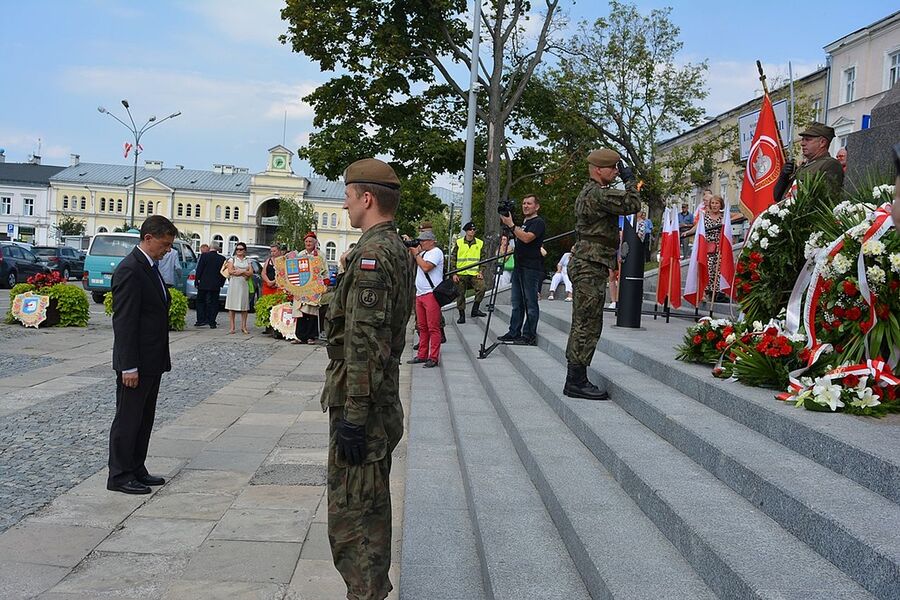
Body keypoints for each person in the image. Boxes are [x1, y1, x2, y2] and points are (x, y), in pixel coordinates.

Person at [321, 158, 414, 600]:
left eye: (348, 194)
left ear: (367, 198)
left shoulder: (373, 256)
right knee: (369, 511)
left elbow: (364, 342)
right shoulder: (393, 247)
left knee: (354, 523)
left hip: (363, 405)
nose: (345, 202)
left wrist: (354, 418)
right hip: (377, 399)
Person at [107, 215, 177, 495]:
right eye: (165, 244)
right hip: (136, 363)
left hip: (152, 359)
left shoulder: (150, 267)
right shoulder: (130, 270)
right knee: (128, 418)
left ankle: (137, 467)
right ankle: (120, 475)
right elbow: (124, 322)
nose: (167, 250)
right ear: (148, 238)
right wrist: (128, 366)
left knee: (144, 417)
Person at [564, 148, 641, 400]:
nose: (616, 173)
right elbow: (632, 203)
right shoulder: (598, 193)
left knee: (585, 322)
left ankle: (577, 377)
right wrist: (630, 179)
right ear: (599, 169)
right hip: (589, 265)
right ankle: (576, 381)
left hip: (588, 262)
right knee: (587, 324)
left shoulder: (590, 191)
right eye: (613, 169)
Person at [497, 194, 546, 345]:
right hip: (519, 265)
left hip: (531, 267)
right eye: (524, 203)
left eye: (529, 203)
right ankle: (514, 331)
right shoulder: (524, 222)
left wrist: (511, 225)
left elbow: (526, 238)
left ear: (536, 206)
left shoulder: (538, 222)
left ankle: (529, 335)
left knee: (530, 302)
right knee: (517, 302)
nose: (525, 206)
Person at [773, 122, 844, 202]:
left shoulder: (830, 164)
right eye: (803, 139)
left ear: (822, 142)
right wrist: (784, 177)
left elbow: (827, 199)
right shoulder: (803, 166)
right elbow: (777, 196)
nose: (802, 143)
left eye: (808, 140)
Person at [681, 195, 730, 302]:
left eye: (717, 203)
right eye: (712, 203)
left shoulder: (724, 217)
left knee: (717, 270)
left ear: (720, 204)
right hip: (707, 246)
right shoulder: (705, 216)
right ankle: (704, 292)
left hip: (720, 247)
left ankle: (717, 293)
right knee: (706, 269)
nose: (714, 205)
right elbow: (697, 227)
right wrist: (688, 232)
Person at [408, 229, 444, 367]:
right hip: (420, 294)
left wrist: (416, 254)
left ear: (431, 241)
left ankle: (433, 357)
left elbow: (426, 267)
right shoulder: (423, 252)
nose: (420, 243)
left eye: (423, 241)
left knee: (433, 327)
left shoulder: (436, 252)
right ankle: (422, 355)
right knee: (422, 326)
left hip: (431, 293)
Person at [450, 221, 487, 324]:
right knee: (460, 294)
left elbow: (483, 258)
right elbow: (453, 258)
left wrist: (481, 271)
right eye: (470, 230)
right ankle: (462, 315)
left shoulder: (479, 243)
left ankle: (475, 309)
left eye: (474, 230)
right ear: (466, 231)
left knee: (482, 288)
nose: (472, 231)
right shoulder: (459, 242)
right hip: (461, 273)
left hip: (474, 273)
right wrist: (454, 273)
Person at [292, 232, 323, 344]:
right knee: (300, 311)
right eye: (306, 241)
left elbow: (324, 270)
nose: (308, 243)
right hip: (301, 287)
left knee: (311, 312)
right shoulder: (300, 254)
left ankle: (311, 336)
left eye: (310, 241)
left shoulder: (320, 255)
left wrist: (325, 283)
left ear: (315, 243)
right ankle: (300, 336)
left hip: (314, 287)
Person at [194, 243, 226, 328]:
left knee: (200, 301)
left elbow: (199, 269)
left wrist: (196, 280)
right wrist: (221, 283)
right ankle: (212, 321)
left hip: (204, 283)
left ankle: (201, 320)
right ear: (218, 249)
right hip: (216, 284)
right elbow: (224, 273)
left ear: (210, 248)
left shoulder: (204, 256)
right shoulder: (222, 258)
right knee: (214, 303)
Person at [224, 242, 252, 334]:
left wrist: (240, 271)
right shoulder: (232, 259)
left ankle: (244, 326)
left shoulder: (248, 260)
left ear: (245, 251)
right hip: (234, 283)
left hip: (243, 284)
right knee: (232, 306)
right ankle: (232, 327)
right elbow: (231, 271)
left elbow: (251, 272)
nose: (239, 251)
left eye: (241, 249)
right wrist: (244, 272)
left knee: (244, 306)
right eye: (237, 249)